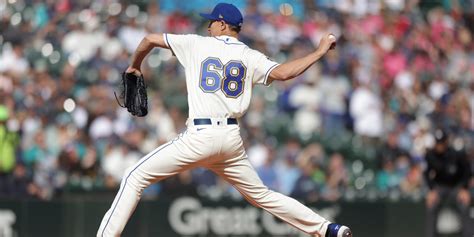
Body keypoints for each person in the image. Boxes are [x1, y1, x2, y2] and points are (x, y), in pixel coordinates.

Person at [97, 3, 351, 237]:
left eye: (211, 22)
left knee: (134, 176)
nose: (207, 27)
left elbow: (148, 39)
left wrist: (135, 66)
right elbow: (284, 73)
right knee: (263, 195)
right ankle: (327, 229)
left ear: (221, 24)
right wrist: (318, 52)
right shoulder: (251, 56)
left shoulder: (196, 44)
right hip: (230, 141)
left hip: (200, 136)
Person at [424, 129, 472, 237]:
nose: (439, 146)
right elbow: (427, 174)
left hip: (456, 186)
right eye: (437, 143)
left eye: (441, 143)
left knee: (464, 204)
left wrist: (464, 188)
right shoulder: (431, 155)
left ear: (446, 142)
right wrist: (431, 190)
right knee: (431, 205)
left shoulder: (456, 154)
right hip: (440, 186)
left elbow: (467, 172)